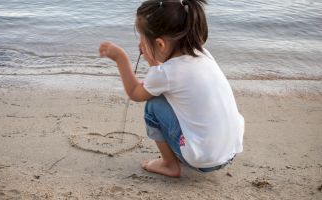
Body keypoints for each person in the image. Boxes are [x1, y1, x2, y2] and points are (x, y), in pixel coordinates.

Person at [99, 0, 244, 177]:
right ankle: (185, 154)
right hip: (229, 153)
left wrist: (120, 58)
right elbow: (170, 76)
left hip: (203, 161)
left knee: (153, 104)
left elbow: (135, 93)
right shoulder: (203, 54)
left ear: (160, 44)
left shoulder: (166, 74)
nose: (140, 43)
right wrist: (154, 62)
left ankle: (169, 164)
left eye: (142, 38)